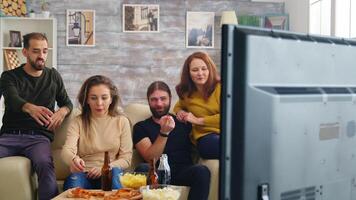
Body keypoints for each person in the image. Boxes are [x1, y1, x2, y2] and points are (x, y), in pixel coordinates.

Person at [0, 32, 73, 200]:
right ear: (25, 52)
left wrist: (62, 111)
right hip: (9, 136)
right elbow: (12, 98)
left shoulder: (53, 76)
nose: (42, 56)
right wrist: (29, 107)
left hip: (38, 137)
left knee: (45, 164)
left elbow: (67, 103)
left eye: (45, 51)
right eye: (36, 51)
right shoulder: (9, 76)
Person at [133, 81, 210, 200]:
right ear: (148, 100)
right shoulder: (141, 127)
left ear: (170, 99)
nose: (159, 104)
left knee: (202, 171)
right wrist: (164, 132)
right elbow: (150, 159)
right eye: (154, 99)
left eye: (163, 98)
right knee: (143, 169)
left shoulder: (184, 122)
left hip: (182, 171)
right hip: (155, 173)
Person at [61, 75, 132, 190]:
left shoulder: (122, 121)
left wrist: (104, 168)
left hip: (111, 172)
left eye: (104, 98)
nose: (99, 103)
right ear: (87, 99)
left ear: (111, 99)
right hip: (84, 173)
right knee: (73, 186)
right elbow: (67, 151)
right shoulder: (77, 121)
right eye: (93, 98)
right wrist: (74, 160)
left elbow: (126, 158)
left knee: (115, 178)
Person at [174, 51, 220, 159]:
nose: (200, 73)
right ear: (188, 73)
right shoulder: (185, 92)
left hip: (228, 134)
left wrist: (198, 120)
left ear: (210, 70)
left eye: (204, 69)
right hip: (206, 137)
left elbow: (229, 117)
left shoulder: (221, 87)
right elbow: (178, 106)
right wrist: (181, 112)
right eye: (195, 70)